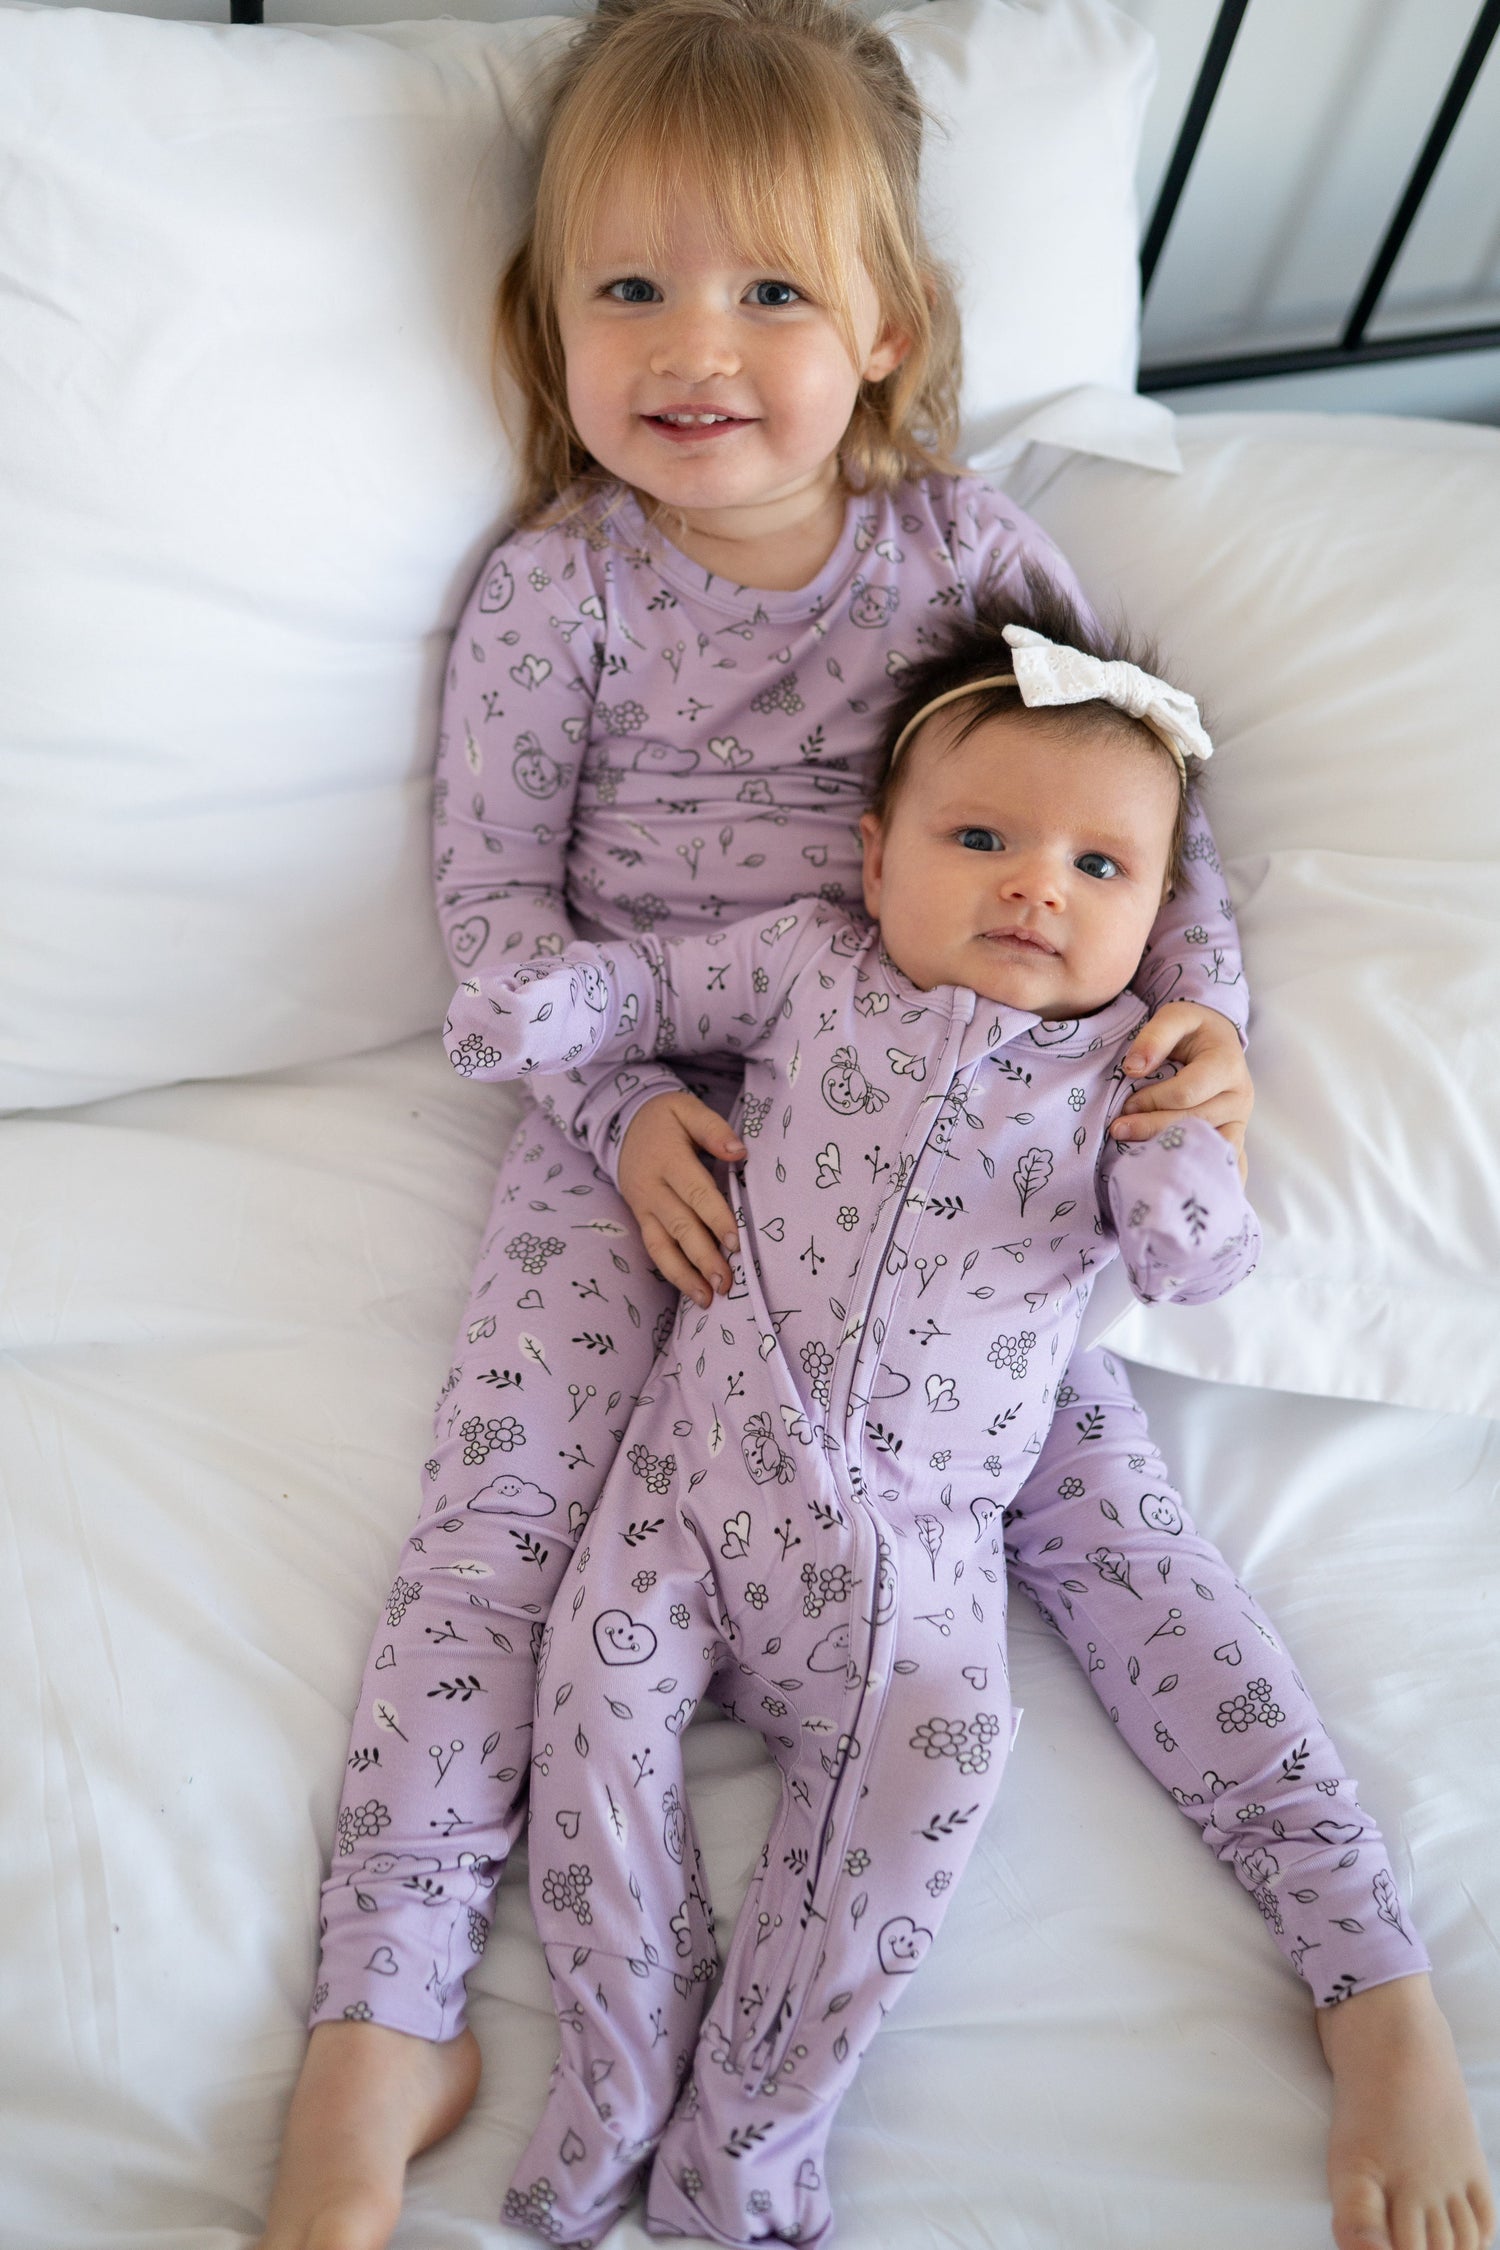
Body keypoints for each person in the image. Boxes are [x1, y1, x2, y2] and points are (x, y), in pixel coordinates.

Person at [254, 3, 1492, 2247]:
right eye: (626, 287)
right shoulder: (557, 599)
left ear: (888, 325)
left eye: (771, 291)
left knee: (1116, 1545)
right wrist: (619, 1106)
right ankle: (385, 2012)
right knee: (500, 1530)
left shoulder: (966, 559)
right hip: (643, 1128)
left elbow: (1149, 828)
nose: (692, 348)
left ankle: (1367, 1969)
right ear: (546, 322)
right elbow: (501, 914)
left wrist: (1193, 1023)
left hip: (965, 1153)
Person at [437, 592, 1481, 2249]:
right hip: (688, 1486)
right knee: (592, 1728)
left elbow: (1191, 1218)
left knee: (932, 1774)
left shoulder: (1126, 1072)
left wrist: (1193, 1198)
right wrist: (548, 1014)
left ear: (1158, 913)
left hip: (925, 1557)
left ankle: (749, 2148)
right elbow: (646, 982)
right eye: (983, 836)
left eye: (1097, 869)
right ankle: (618, 2073)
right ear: (874, 859)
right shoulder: (806, 967)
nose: (1031, 885)